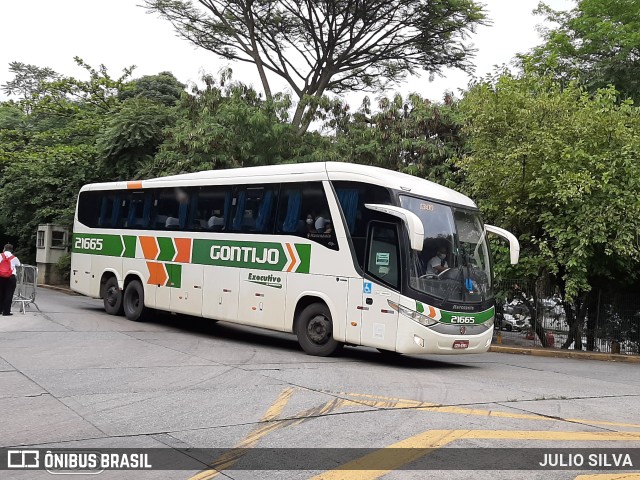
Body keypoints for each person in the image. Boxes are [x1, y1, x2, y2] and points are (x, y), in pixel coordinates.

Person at [0, 244, 20, 316]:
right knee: (9, 294)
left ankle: (0, 310)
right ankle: (6, 311)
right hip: (11, 277)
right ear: (11, 250)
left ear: (4, 248)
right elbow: (19, 264)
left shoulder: (0, 255)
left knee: (1, 293)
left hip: (1, 276)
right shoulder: (14, 258)